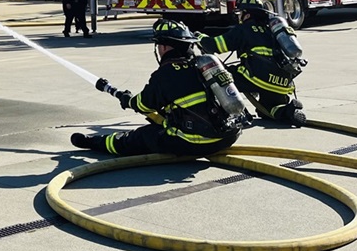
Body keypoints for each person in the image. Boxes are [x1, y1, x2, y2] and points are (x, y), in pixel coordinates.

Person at [70, 19, 242, 156]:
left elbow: (143, 105)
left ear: (165, 46)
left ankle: (93, 143)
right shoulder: (203, 65)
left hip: (195, 142)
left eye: (159, 45)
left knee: (141, 136)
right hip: (228, 136)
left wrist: (127, 99)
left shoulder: (166, 73)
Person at [198, 0, 305, 126]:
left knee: (217, 76)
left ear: (247, 15)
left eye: (240, 13)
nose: (238, 16)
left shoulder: (244, 29)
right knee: (269, 110)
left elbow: (215, 46)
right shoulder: (271, 30)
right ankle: (288, 111)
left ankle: (233, 113)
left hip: (256, 78)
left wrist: (200, 37)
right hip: (281, 82)